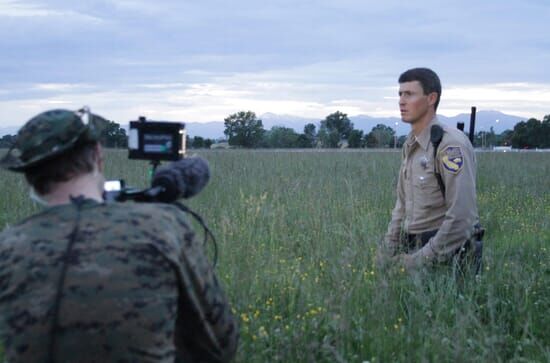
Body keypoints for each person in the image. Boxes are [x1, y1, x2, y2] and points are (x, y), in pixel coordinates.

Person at [0, 108, 238, 362]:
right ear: (98, 156)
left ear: (29, 175)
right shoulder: (164, 227)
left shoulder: (8, 247)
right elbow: (220, 344)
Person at [379, 67, 481, 273]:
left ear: (431, 98)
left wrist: (420, 260)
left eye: (409, 94)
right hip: (414, 248)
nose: (401, 101)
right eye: (400, 94)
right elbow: (402, 206)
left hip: (447, 257)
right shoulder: (411, 145)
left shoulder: (449, 145)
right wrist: (386, 251)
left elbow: (462, 217)